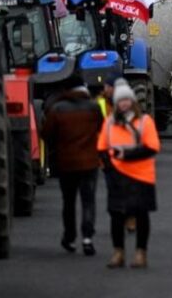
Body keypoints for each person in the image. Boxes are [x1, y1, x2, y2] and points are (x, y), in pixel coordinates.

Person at [98, 80, 161, 269]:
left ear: (133, 101)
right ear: (116, 103)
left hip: (142, 176)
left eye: (126, 100)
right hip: (118, 176)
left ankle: (141, 253)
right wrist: (109, 167)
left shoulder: (145, 122)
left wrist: (126, 155)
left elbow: (152, 147)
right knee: (116, 216)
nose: (124, 104)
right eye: (120, 101)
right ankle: (118, 252)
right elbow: (101, 147)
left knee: (141, 215)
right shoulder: (110, 123)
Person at [42, 78, 104, 256]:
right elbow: (101, 128)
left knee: (68, 202)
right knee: (88, 201)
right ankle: (87, 239)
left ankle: (69, 237)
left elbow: (47, 134)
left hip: (66, 163)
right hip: (90, 162)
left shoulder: (58, 109)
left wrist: (59, 148)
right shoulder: (93, 108)